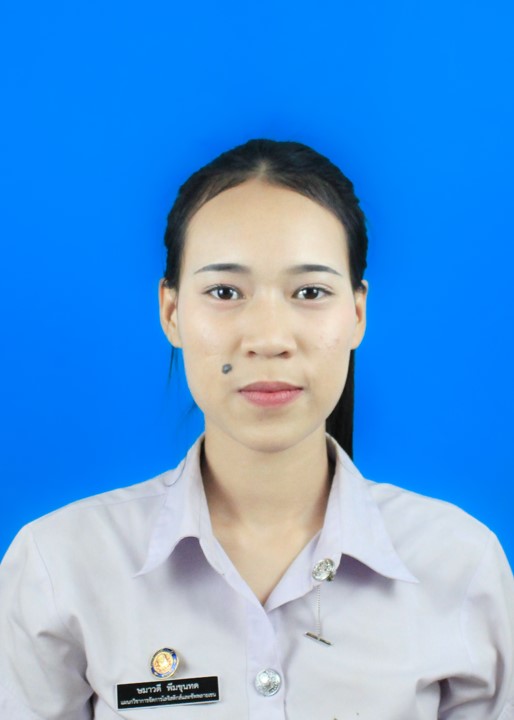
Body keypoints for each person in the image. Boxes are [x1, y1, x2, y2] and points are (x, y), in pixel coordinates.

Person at [0, 139, 513, 720]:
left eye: (310, 292)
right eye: (224, 292)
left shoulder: (459, 565)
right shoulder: (59, 568)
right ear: (171, 311)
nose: (269, 339)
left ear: (357, 313)